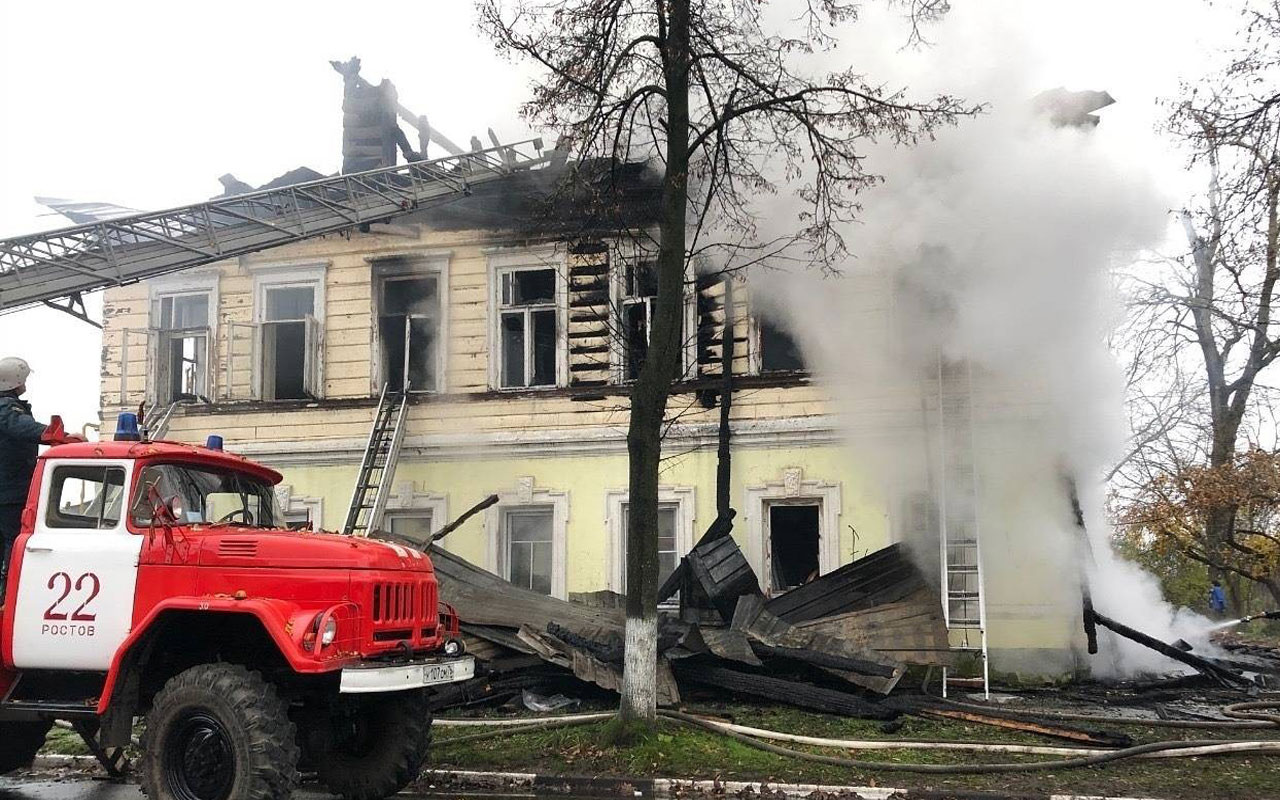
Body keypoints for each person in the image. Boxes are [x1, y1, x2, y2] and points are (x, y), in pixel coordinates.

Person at [0, 357, 84, 579]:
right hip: (10, 492)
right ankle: (8, 594)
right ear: (15, 381)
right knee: (14, 540)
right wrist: (57, 436)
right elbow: (21, 427)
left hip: (9, 489)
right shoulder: (6, 408)